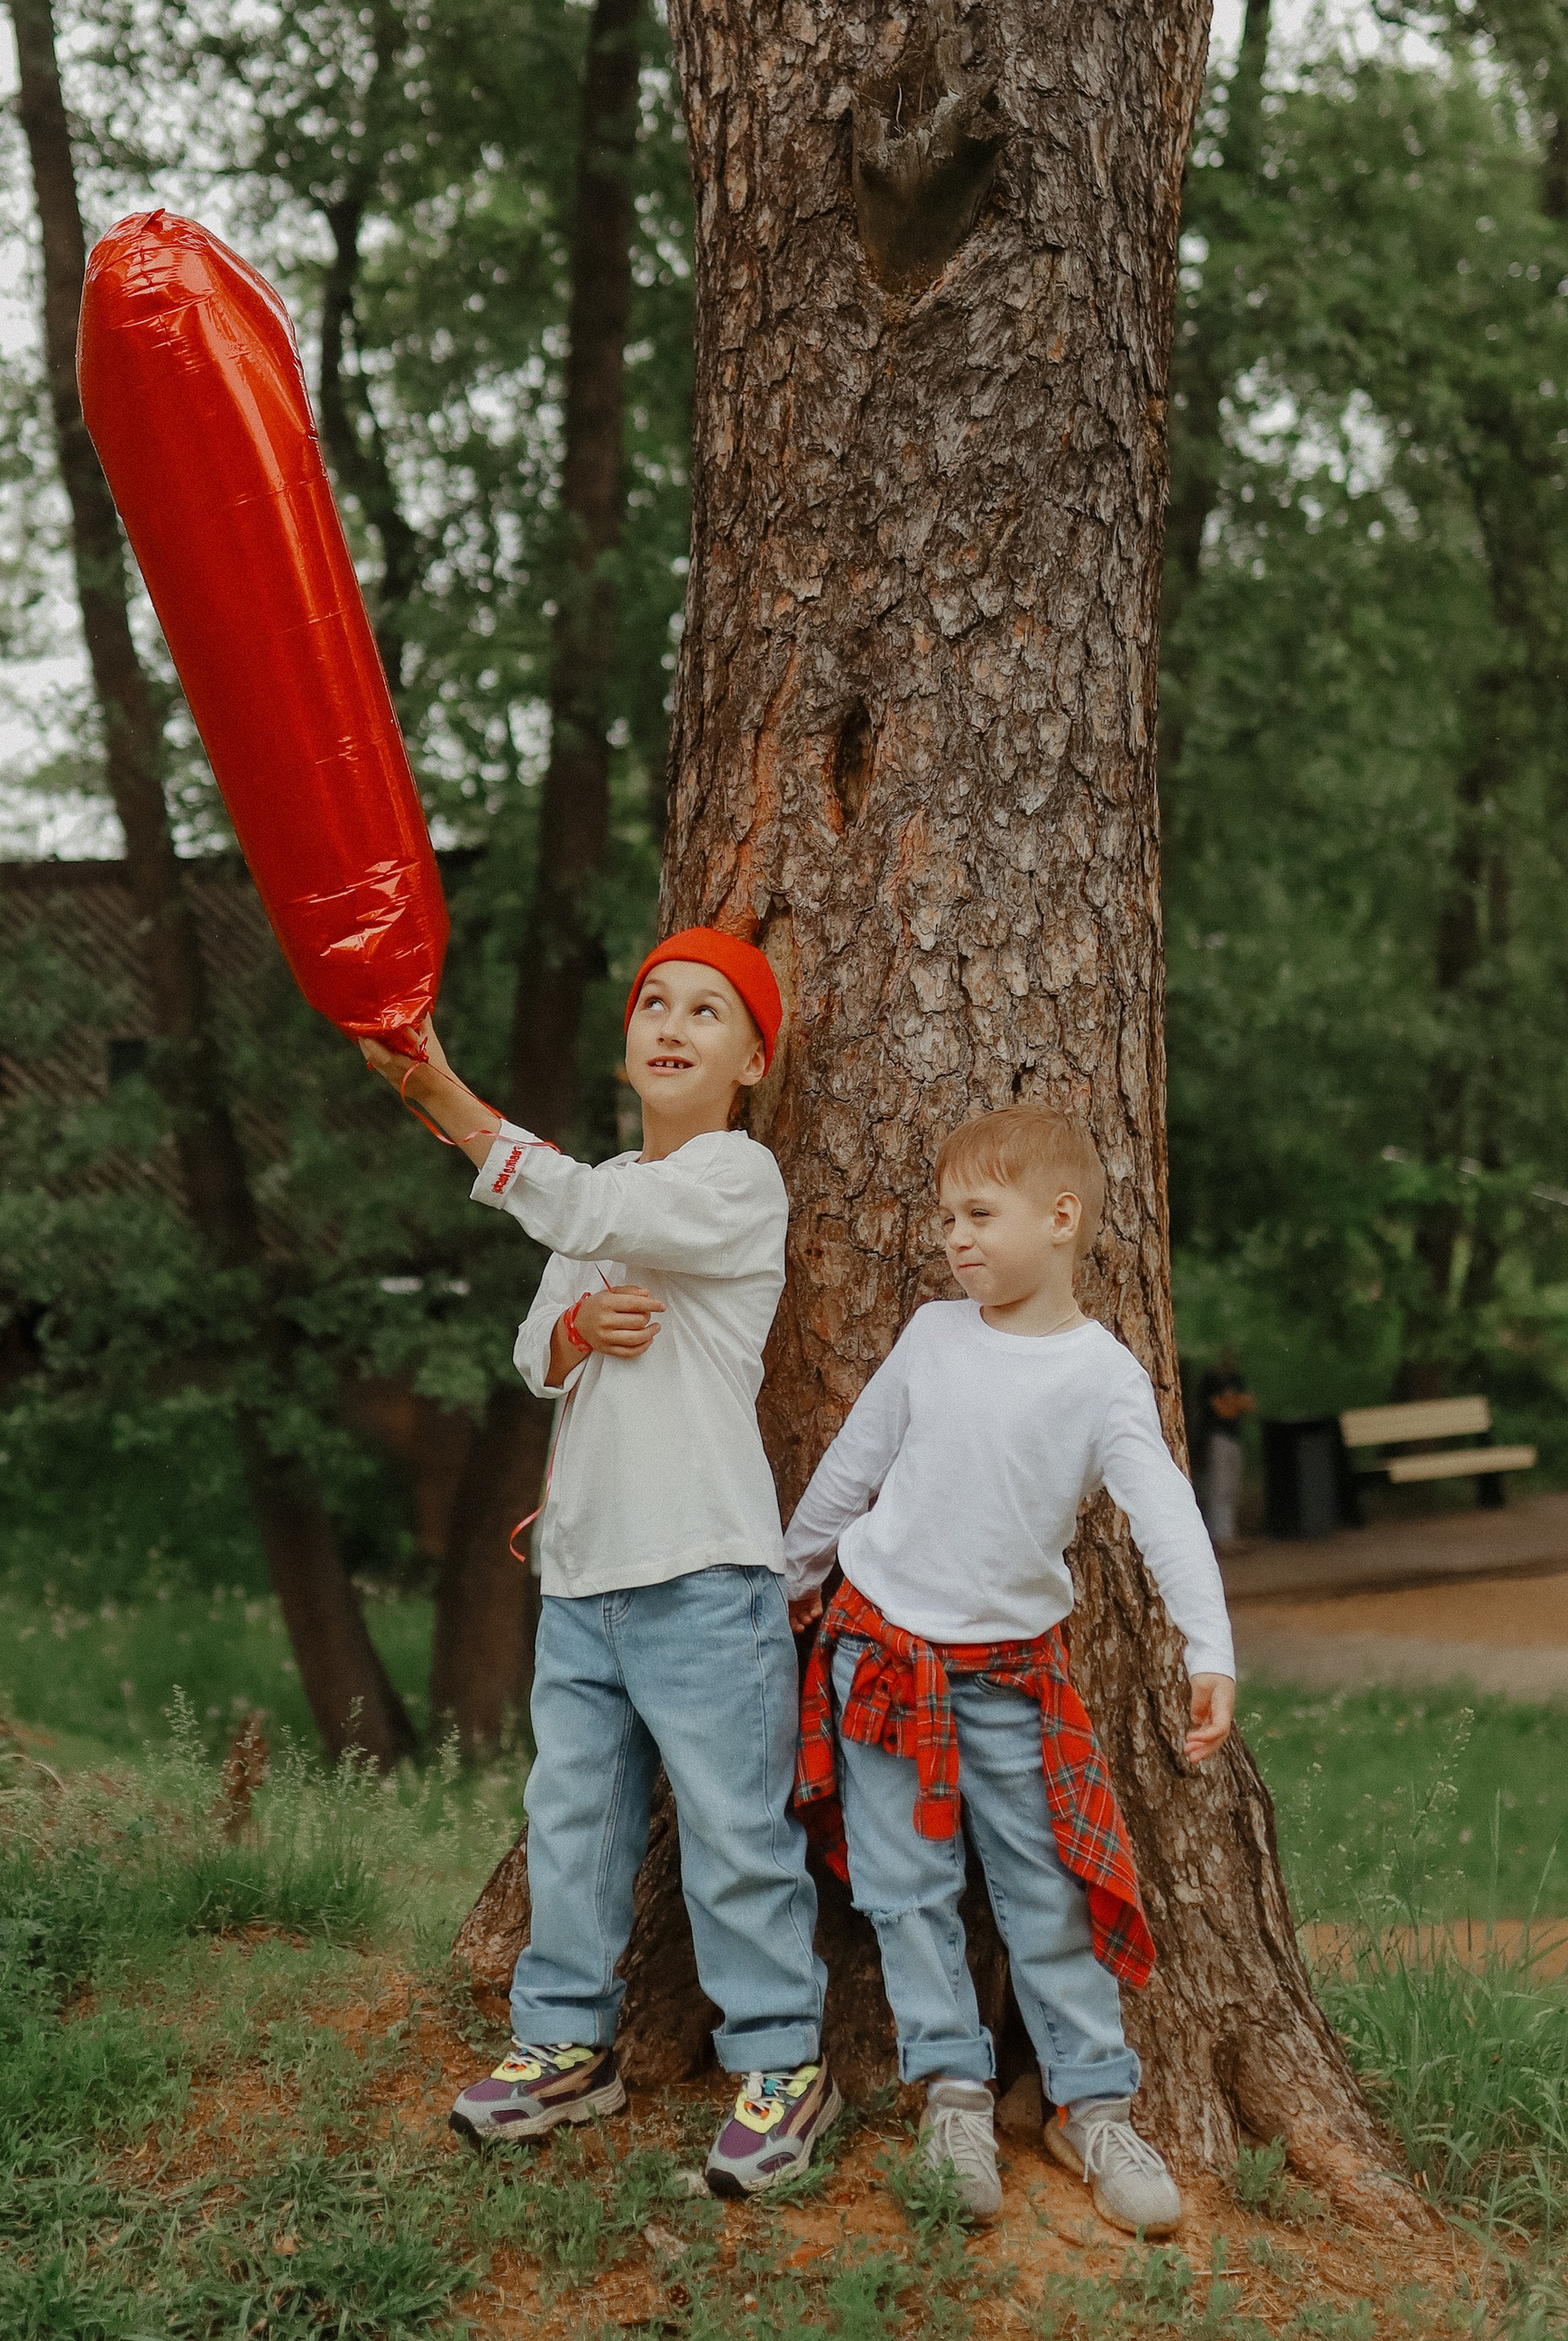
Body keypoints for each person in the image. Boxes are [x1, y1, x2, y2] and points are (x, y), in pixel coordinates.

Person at [362, 929, 833, 2200]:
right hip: (582, 1582)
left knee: (735, 1833)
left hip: (703, 1572)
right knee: (572, 1825)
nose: (672, 1024)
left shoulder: (737, 1180)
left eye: (708, 1011)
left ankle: (784, 2062)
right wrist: (573, 1324)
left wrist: (447, 1103)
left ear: (751, 1060)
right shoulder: (606, 1183)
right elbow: (531, 1349)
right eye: (654, 1003)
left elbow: (590, 1209)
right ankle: (569, 2043)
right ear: (629, 1039)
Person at [783, 1106, 1234, 2238]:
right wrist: (786, 1575)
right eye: (946, 1218)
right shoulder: (934, 1338)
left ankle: (1091, 2100)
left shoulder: (1099, 1375)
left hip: (1011, 1683)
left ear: (1062, 1219)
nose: (955, 1238)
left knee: (1045, 1892)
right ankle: (952, 2093)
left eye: (978, 1215)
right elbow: (853, 1467)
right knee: (906, 1890)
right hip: (882, 1665)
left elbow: (1161, 1512)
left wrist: (1207, 1642)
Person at [1195, 1353, 1256, 1545]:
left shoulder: (1236, 1378)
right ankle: (1221, 1536)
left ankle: (1228, 1533)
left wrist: (1235, 1404)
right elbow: (1220, 1408)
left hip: (1234, 1436)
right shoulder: (1211, 1380)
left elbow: (1249, 1403)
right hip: (1217, 1436)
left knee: (1233, 1486)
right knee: (1220, 1485)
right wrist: (1233, 1404)